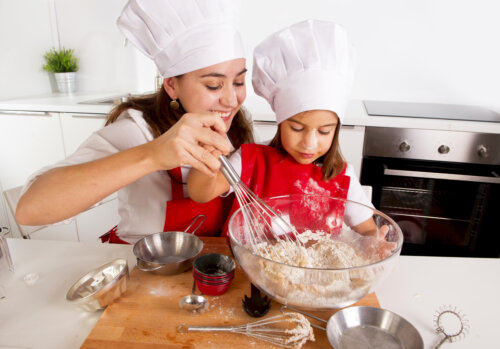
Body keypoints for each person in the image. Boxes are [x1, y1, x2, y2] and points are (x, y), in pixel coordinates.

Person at [15, 0, 253, 243]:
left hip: (214, 265)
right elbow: (30, 208)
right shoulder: (137, 131)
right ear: (172, 85)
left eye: (239, 82)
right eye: (213, 85)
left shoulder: (235, 128)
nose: (232, 100)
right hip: (147, 268)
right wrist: (153, 155)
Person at [188, 19, 394, 254]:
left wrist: (373, 242)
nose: (309, 142)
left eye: (324, 131)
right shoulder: (250, 160)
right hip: (247, 271)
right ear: (280, 123)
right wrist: (208, 152)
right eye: (296, 128)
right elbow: (200, 193)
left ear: (336, 130)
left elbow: (366, 230)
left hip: (313, 281)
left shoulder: (340, 175)